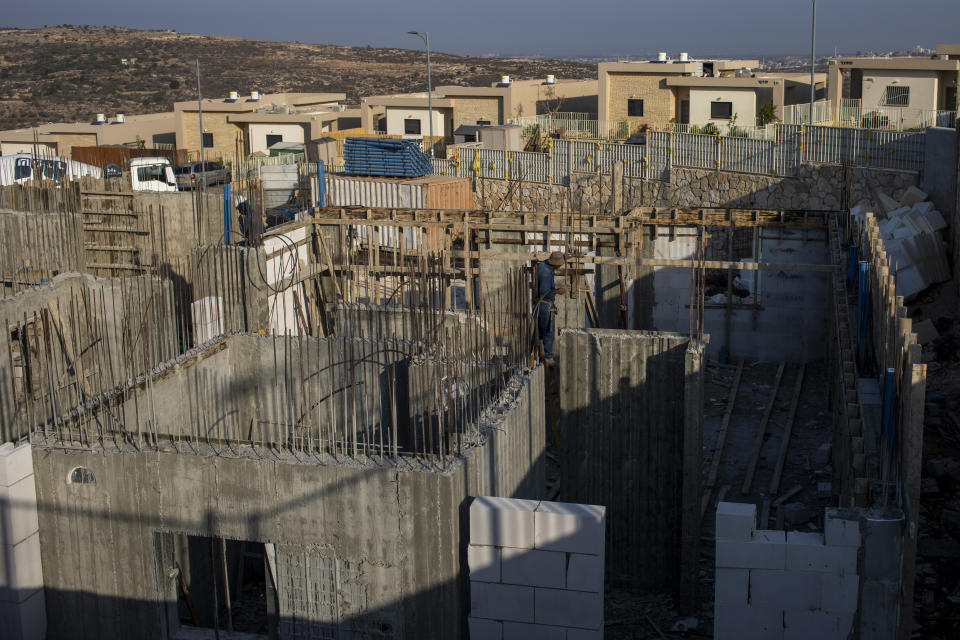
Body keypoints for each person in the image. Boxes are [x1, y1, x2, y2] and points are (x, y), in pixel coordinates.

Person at [536, 251, 567, 365]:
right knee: (549, 331)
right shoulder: (546, 273)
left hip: (541, 304)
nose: (560, 266)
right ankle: (548, 357)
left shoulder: (543, 266)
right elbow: (545, 291)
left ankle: (538, 353)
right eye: (559, 265)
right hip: (545, 304)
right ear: (555, 264)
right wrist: (558, 291)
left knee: (540, 330)